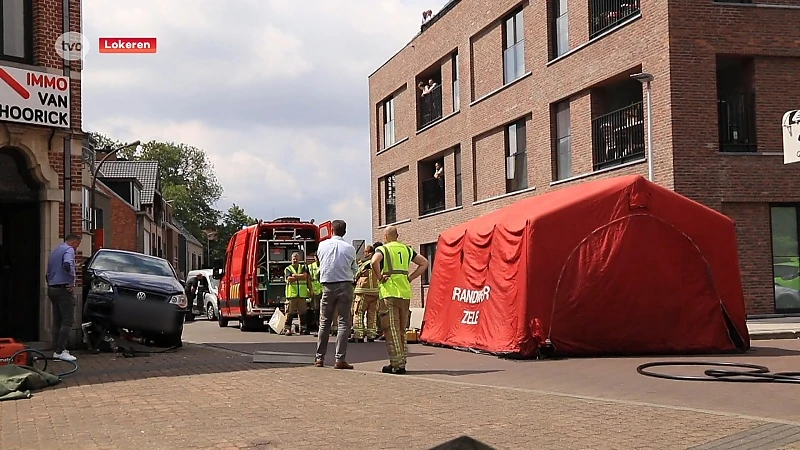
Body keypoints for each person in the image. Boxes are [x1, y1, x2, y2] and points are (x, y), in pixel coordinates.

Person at [372, 227, 428, 374]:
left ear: (385, 236)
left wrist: (379, 277)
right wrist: (409, 278)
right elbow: (424, 263)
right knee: (402, 329)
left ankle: (397, 364)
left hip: (389, 292)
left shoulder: (383, 249)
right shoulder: (407, 249)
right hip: (404, 293)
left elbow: (374, 262)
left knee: (391, 329)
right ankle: (402, 360)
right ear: (397, 236)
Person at [314, 219, 358, 369]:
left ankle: (319, 358)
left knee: (325, 321)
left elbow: (320, 263)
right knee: (344, 322)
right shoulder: (350, 248)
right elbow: (354, 268)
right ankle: (340, 359)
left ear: (331, 230)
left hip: (327, 285)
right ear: (344, 232)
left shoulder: (322, 245)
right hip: (345, 284)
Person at [45, 234, 82, 362]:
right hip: (63, 289)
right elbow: (67, 264)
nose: (77, 248)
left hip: (52, 288)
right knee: (67, 321)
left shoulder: (55, 251)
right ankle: (60, 351)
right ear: (74, 242)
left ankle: (56, 349)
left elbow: (48, 272)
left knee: (57, 320)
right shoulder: (69, 250)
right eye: (77, 245)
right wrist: (71, 281)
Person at [351, 245, 380, 342]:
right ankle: (371, 335)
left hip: (363, 292)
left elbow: (356, 274)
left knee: (358, 312)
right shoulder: (379, 263)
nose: (364, 254)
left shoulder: (365, 264)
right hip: (375, 292)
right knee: (372, 314)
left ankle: (358, 335)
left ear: (369, 252)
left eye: (366, 252)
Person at [283, 252, 310, 336]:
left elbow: (305, 276)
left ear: (299, 260)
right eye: (293, 259)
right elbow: (289, 279)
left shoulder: (303, 267)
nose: (295, 260)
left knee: (303, 313)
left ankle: (303, 329)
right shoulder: (288, 269)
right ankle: (287, 329)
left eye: (296, 259)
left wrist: (295, 275)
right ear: (291, 260)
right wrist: (299, 276)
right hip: (292, 295)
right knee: (289, 313)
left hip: (301, 295)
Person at [372, 241, 387, 341]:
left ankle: (383, 332)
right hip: (392, 288)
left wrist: (379, 277)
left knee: (382, 311)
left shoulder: (379, 259)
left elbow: (374, 263)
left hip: (383, 287)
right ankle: (380, 331)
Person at [306, 253, 323, 332]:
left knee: (324, 309)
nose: (318, 259)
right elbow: (308, 278)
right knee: (316, 309)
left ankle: (324, 326)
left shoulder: (324, 264)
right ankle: (317, 326)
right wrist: (311, 289)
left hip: (323, 289)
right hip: (315, 290)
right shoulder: (310, 266)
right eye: (316, 257)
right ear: (314, 258)